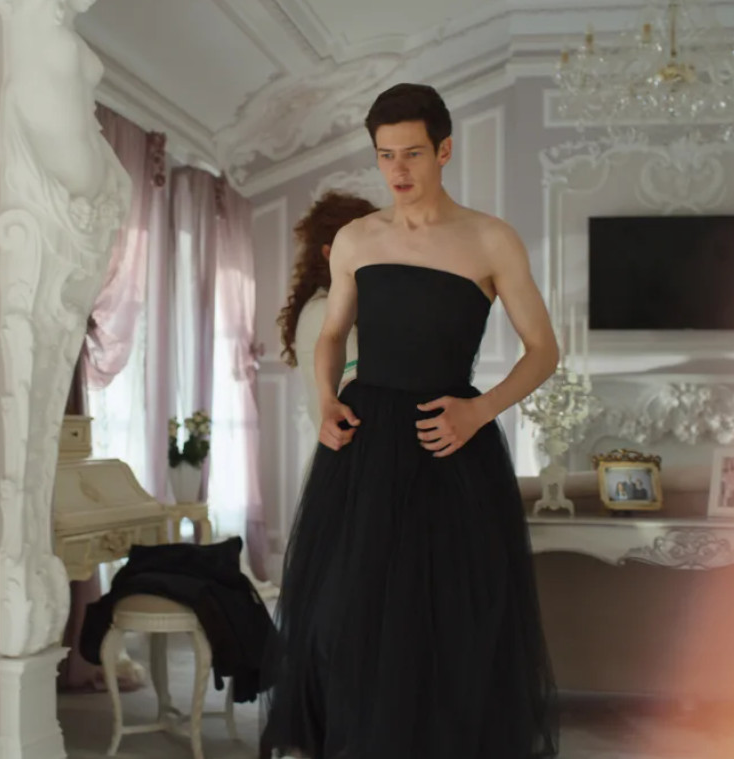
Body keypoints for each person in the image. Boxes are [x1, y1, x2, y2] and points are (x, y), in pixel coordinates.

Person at [260, 83, 561, 758]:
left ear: (444, 150)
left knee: (453, 622)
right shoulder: (355, 239)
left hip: (449, 441)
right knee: (346, 616)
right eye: (385, 155)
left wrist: (479, 410)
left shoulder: (490, 239)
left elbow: (543, 350)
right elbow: (330, 335)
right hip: (363, 446)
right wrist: (325, 398)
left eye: (412, 154)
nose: (397, 170)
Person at [278, 191, 379, 430]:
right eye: (366, 244)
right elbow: (365, 394)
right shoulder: (324, 310)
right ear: (329, 253)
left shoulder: (341, 305)